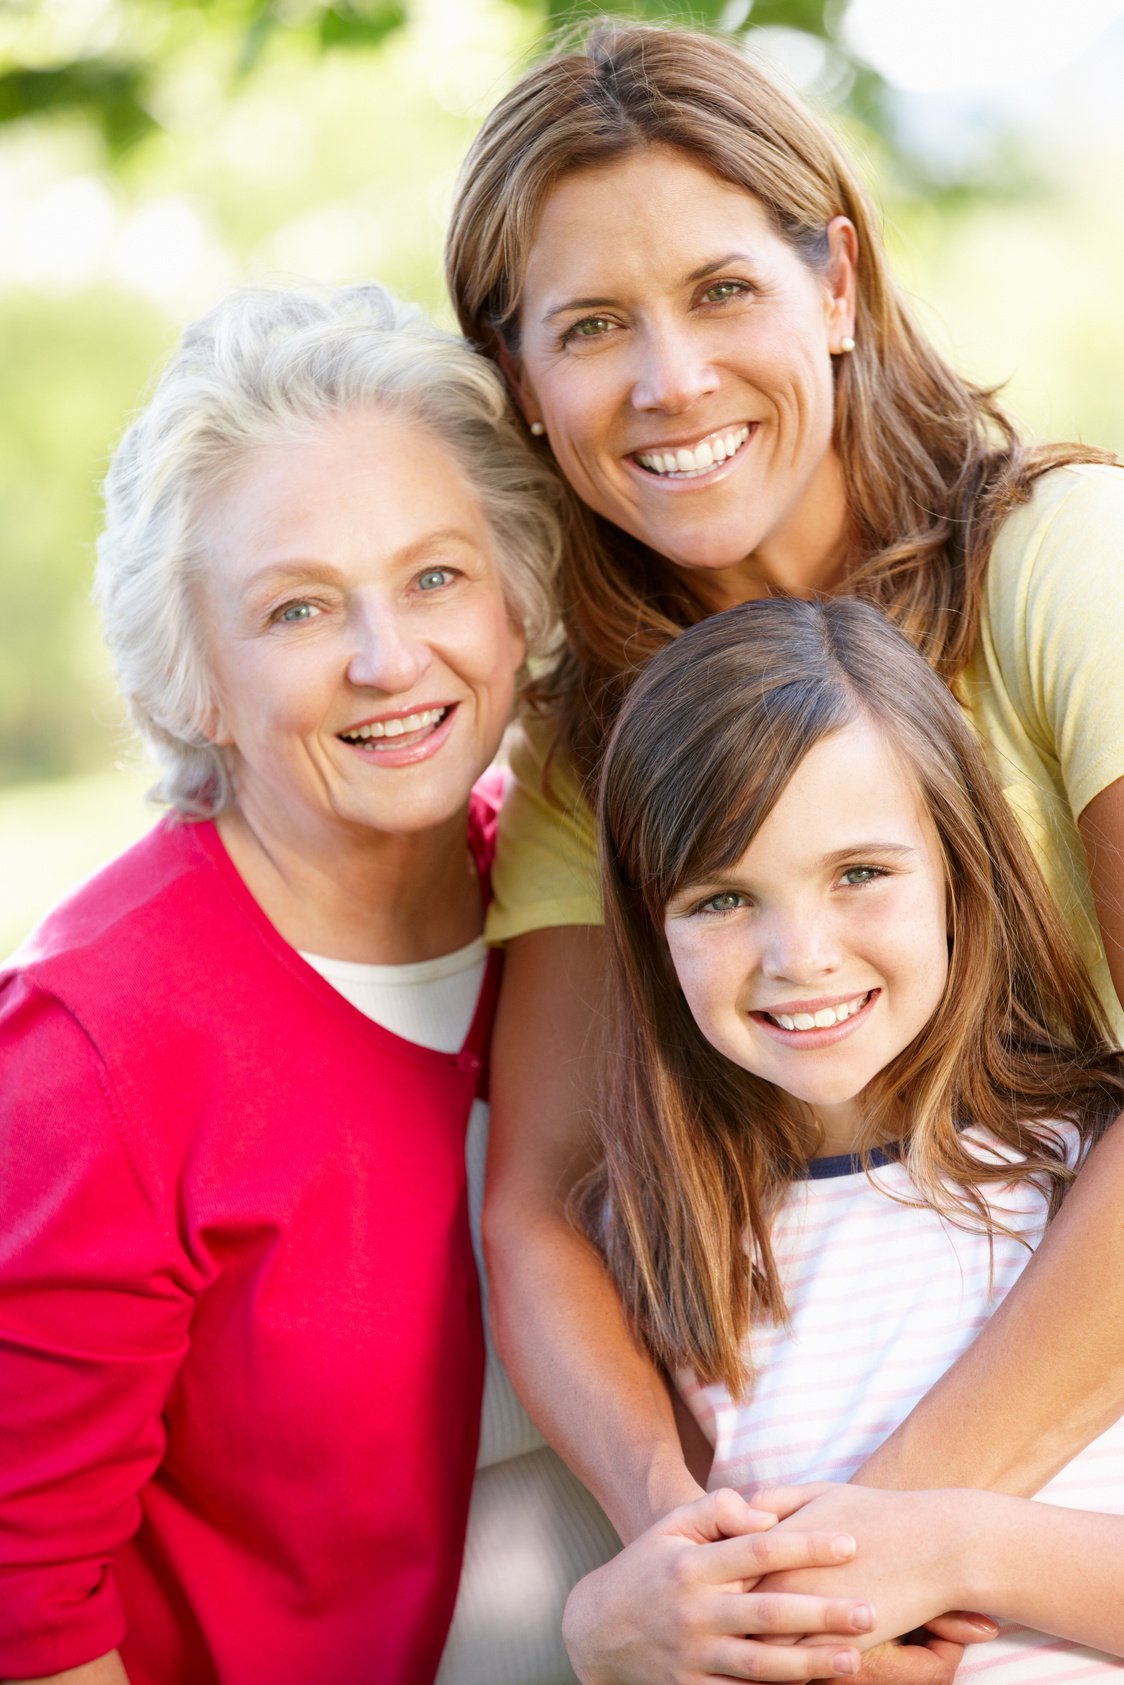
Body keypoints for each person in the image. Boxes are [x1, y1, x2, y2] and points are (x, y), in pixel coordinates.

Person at [0, 282, 878, 1685]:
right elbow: (25, 1604)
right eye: (297, 608)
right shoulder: (95, 1047)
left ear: (519, 587)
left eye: (435, 576)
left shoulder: (614, 904)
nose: (387, 659)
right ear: (194, 678)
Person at [442, 22, 1124, 1679]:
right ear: (521, 385)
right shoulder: (587, 747)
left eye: (719, 291)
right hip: (809, 1422)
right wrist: (681, 1538)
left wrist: (871, 1552)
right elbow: (539, 1202)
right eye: (590, 327)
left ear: (832, 287)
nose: (667, 381)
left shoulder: (1053, 563)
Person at [580, 592, 1124, 1681]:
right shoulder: (673, 1237)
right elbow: (698, 1597)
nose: (801, 954)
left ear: (957, 872)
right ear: (652, 930)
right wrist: (603, 1628)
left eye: (858, 874)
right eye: (723, 897)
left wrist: (964, 1550)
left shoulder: (1081, 1171)